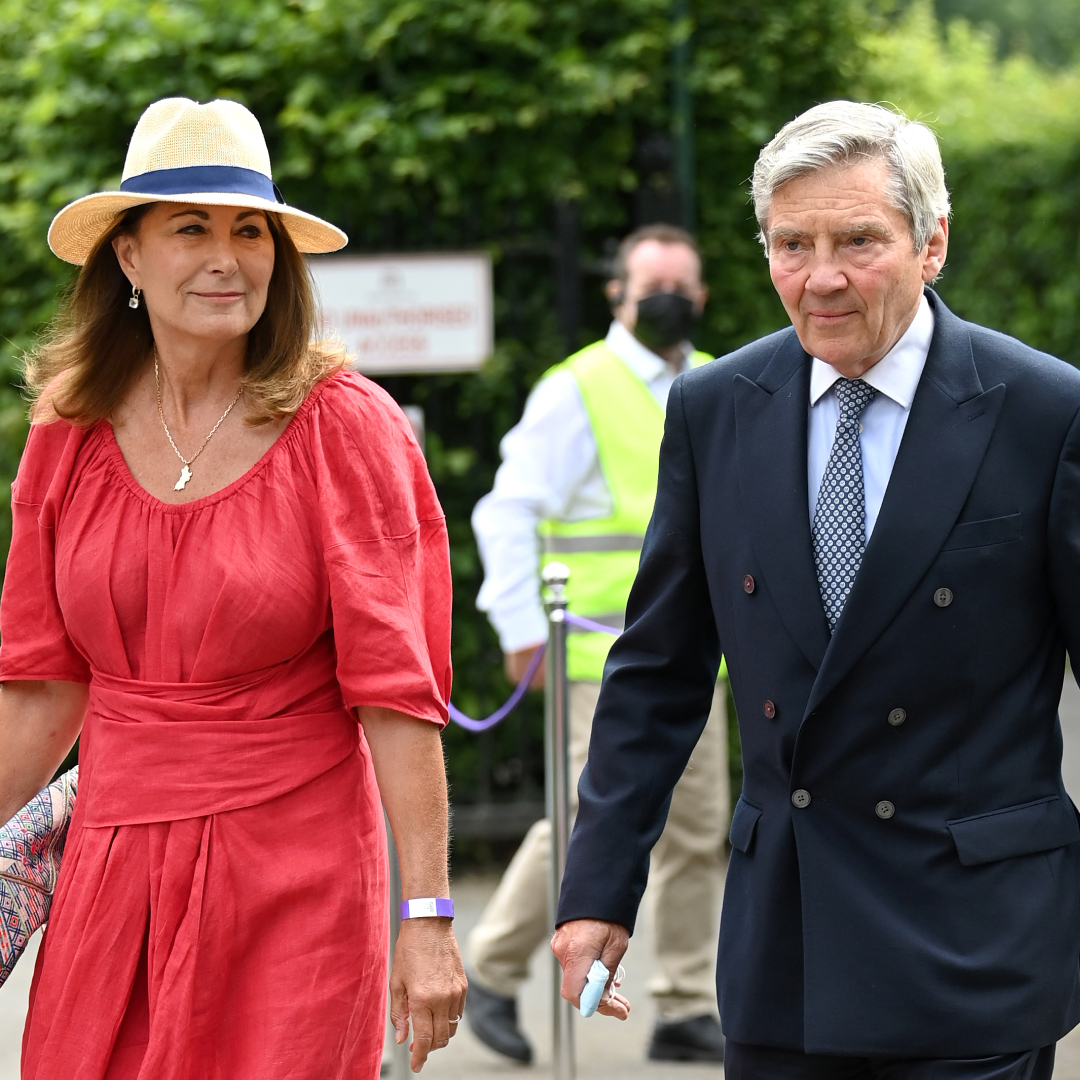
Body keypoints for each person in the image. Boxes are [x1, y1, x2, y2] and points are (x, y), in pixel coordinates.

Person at [552, 99, 1080, 1080]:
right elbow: (659, 672)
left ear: (933, 243)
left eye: (858, 241)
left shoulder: (1046, 412)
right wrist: (598, 891)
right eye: (791, 244)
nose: (822, 277)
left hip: (976, 946)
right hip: (786, 947)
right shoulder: (716, 409)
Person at [0, 97, 467, 1080]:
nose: (228, 256)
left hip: (298, 880)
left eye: (250, 230)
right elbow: (41, 691)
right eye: (191, 228)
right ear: (126, 257)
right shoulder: (67, 426)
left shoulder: (347, 425)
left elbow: (398, 695)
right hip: (111, 869)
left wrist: (427, 919)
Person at [468, 224, 729, 1064]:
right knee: (591, 823)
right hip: (598, 657)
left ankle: (686, 1000)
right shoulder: (576, 388)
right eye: (653, 283)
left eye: (684, 286)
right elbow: (507, 511)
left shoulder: (721, 382)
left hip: (700, 658)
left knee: (696, 829)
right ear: (617, 293)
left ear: (704, 298)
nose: (669, 300)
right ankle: (491, 969)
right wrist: (517, 628)